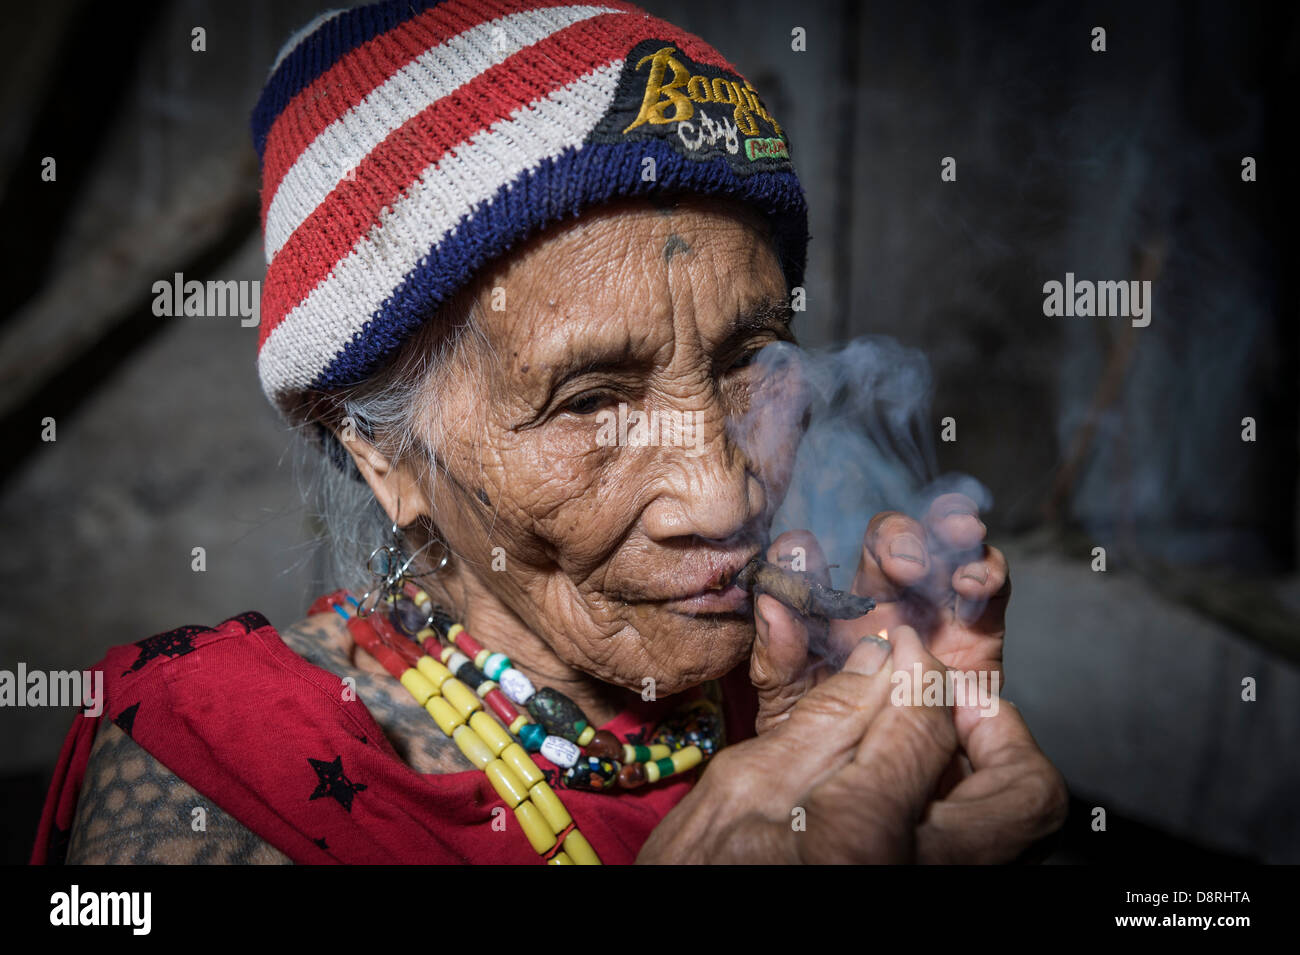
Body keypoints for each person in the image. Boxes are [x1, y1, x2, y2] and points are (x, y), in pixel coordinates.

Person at [32, 0, 1065, 865]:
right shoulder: (213, 765)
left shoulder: (806, 675)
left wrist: (935, 778)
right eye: (588, 401)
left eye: (749, 354)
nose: (722, 494)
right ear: (375, 450)